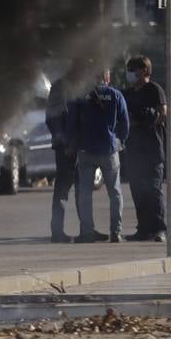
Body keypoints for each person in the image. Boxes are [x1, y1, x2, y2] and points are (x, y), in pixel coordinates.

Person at [67, 66, 129, 243]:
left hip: (86, 150)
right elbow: (125, 123)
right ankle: (116, 233)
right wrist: (119, 142)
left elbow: (71, 123)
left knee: (85, 193)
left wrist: (73, 144)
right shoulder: (116, 95)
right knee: (115, 193)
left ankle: (87, 232)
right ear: (107, 77)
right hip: (109, 150)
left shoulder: (79, 96)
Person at [121, 55, 168, 243]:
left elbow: (161, 114)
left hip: (152, 149)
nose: (131, 72)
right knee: (138, 191)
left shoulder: (154, 89)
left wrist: (146, 119)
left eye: (134, 68)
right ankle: (143, 229)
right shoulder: (128, 93)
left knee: (153, 190)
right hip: (133, 149)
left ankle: (159, 229)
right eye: (129, 68)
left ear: (145, 71)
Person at [45, 62, 84, 243]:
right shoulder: (61, 87)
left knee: (82, 189)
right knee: (63, 188)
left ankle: (86, 229)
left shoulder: (82, 85)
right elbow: (53, 118)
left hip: (80, 145)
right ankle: (57, 232)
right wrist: (65, 142)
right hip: (66, 148)